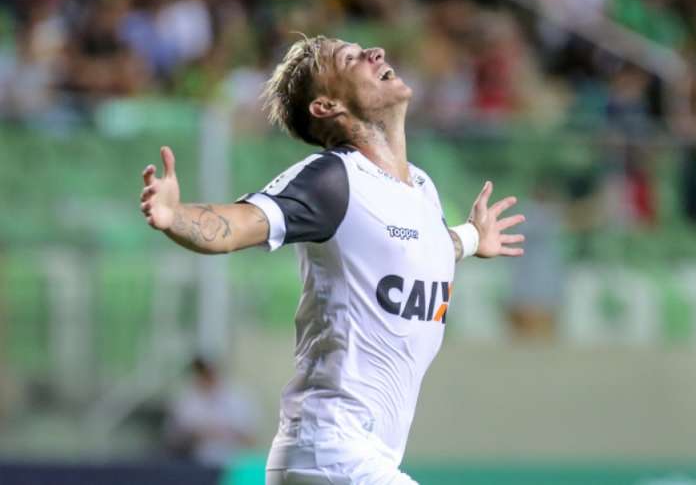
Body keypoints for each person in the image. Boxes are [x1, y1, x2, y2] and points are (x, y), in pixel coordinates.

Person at [139, 35, 525, 484]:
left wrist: (473, 238)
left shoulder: (420, 187)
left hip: (354, 458)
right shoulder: (333, 179)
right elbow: (240, 224)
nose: (375, 53)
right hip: (331, 452)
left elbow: (421, 246)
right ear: (325, 107)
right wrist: (174, 217)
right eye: (352, 59)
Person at [165, 356, 257, 467]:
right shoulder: (187, 400)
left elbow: (251, 438)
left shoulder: (238, 398)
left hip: (232, 465)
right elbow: (177, 437)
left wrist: (224, 432)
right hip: (197, 465)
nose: (205, 376)